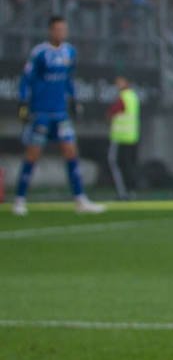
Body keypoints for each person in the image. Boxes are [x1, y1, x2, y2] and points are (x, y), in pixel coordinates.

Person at [13, 16, 107, 216]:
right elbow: (26, 79)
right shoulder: (40, 53)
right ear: (50, 31)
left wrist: (74, 100)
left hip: (60, 113)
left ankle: (80, 199)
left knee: (71, 152)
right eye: (57, 29)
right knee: (32, 154)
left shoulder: (70, 52)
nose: (60, 33)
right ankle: (19, 199)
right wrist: (23, 103)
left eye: (63, 29)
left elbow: (69, 79)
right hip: (41, 112)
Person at [106, 74, 140, 201]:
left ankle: (123, 192)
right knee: (128, 165)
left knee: (115, 162)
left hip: (120, 137)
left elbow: (112, 112)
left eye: (119, 82)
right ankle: (130, 191)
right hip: (132, 136)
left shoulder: (124, 97)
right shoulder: (133, 96)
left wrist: (110, 116)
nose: (117, 85)